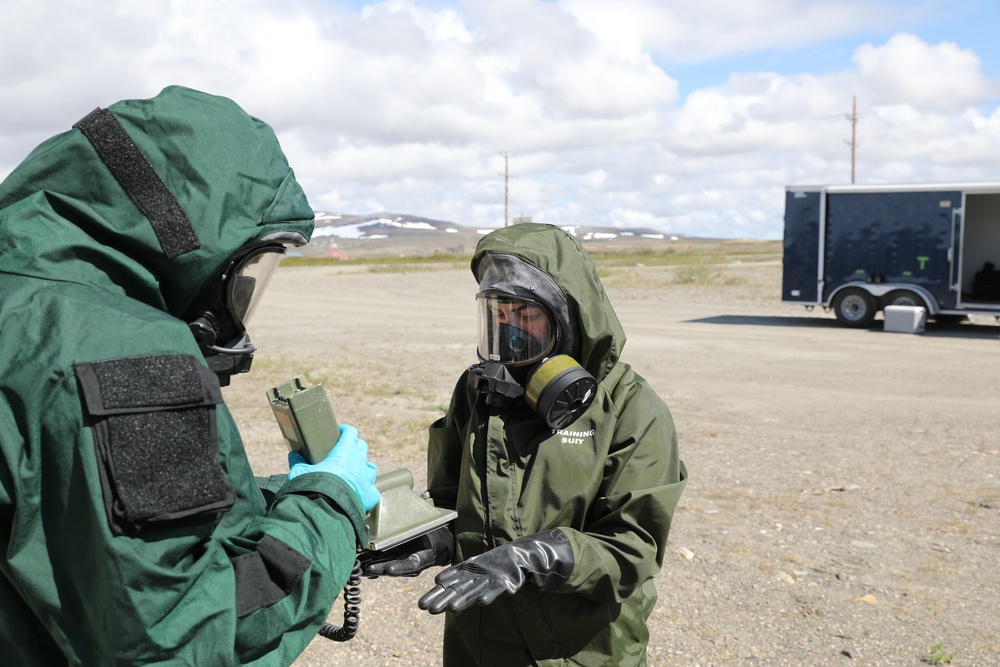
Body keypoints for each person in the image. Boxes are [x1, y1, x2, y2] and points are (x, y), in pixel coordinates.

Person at [0, 86, 380, 665]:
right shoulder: (123, 353)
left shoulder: (20, 296)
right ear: (187, 242)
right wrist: (329, 504)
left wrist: (270, 496)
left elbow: (60, 505)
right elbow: (188, 631)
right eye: (249, 270)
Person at [363, 222, 688, 666]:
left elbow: (632, 551)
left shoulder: (631, 408)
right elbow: (449, 501)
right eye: (497, 314)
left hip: (582, 652)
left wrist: (539, 555)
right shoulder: (477, 392)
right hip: (479, 643)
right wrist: (433, 538)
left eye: (526, 315)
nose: (509, 332)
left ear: (568, 315)